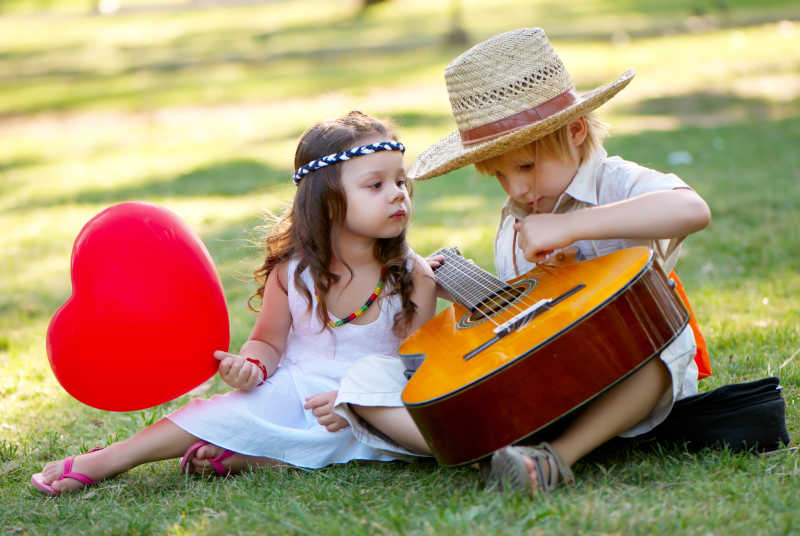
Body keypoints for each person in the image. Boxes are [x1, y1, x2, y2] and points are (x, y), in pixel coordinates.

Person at [363, 27, 712, 495]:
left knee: (658, 348)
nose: (517, 189)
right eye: (499, 175)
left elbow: (691, 209)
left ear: (576, 130)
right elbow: (534, 317)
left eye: (526, 166)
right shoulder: (514, 221)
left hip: (634, 375)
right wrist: (471, 292)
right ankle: (494, 443)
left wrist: (572, 226)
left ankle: (552, 460)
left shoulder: (615, 181)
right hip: (557, 382)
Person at [30, 111, 438, 496]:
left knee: (366, 439)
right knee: (221, 412)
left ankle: (252, 458)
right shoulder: (294, 273)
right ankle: (115, 457)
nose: (397, 195)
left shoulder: (412, 276)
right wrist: (253, 365)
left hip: (369, 402)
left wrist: (355, 403)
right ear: (327, 201)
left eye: (401, 182)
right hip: (297, 388)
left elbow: (410, 369)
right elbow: (268, 342)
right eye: (376, 185)